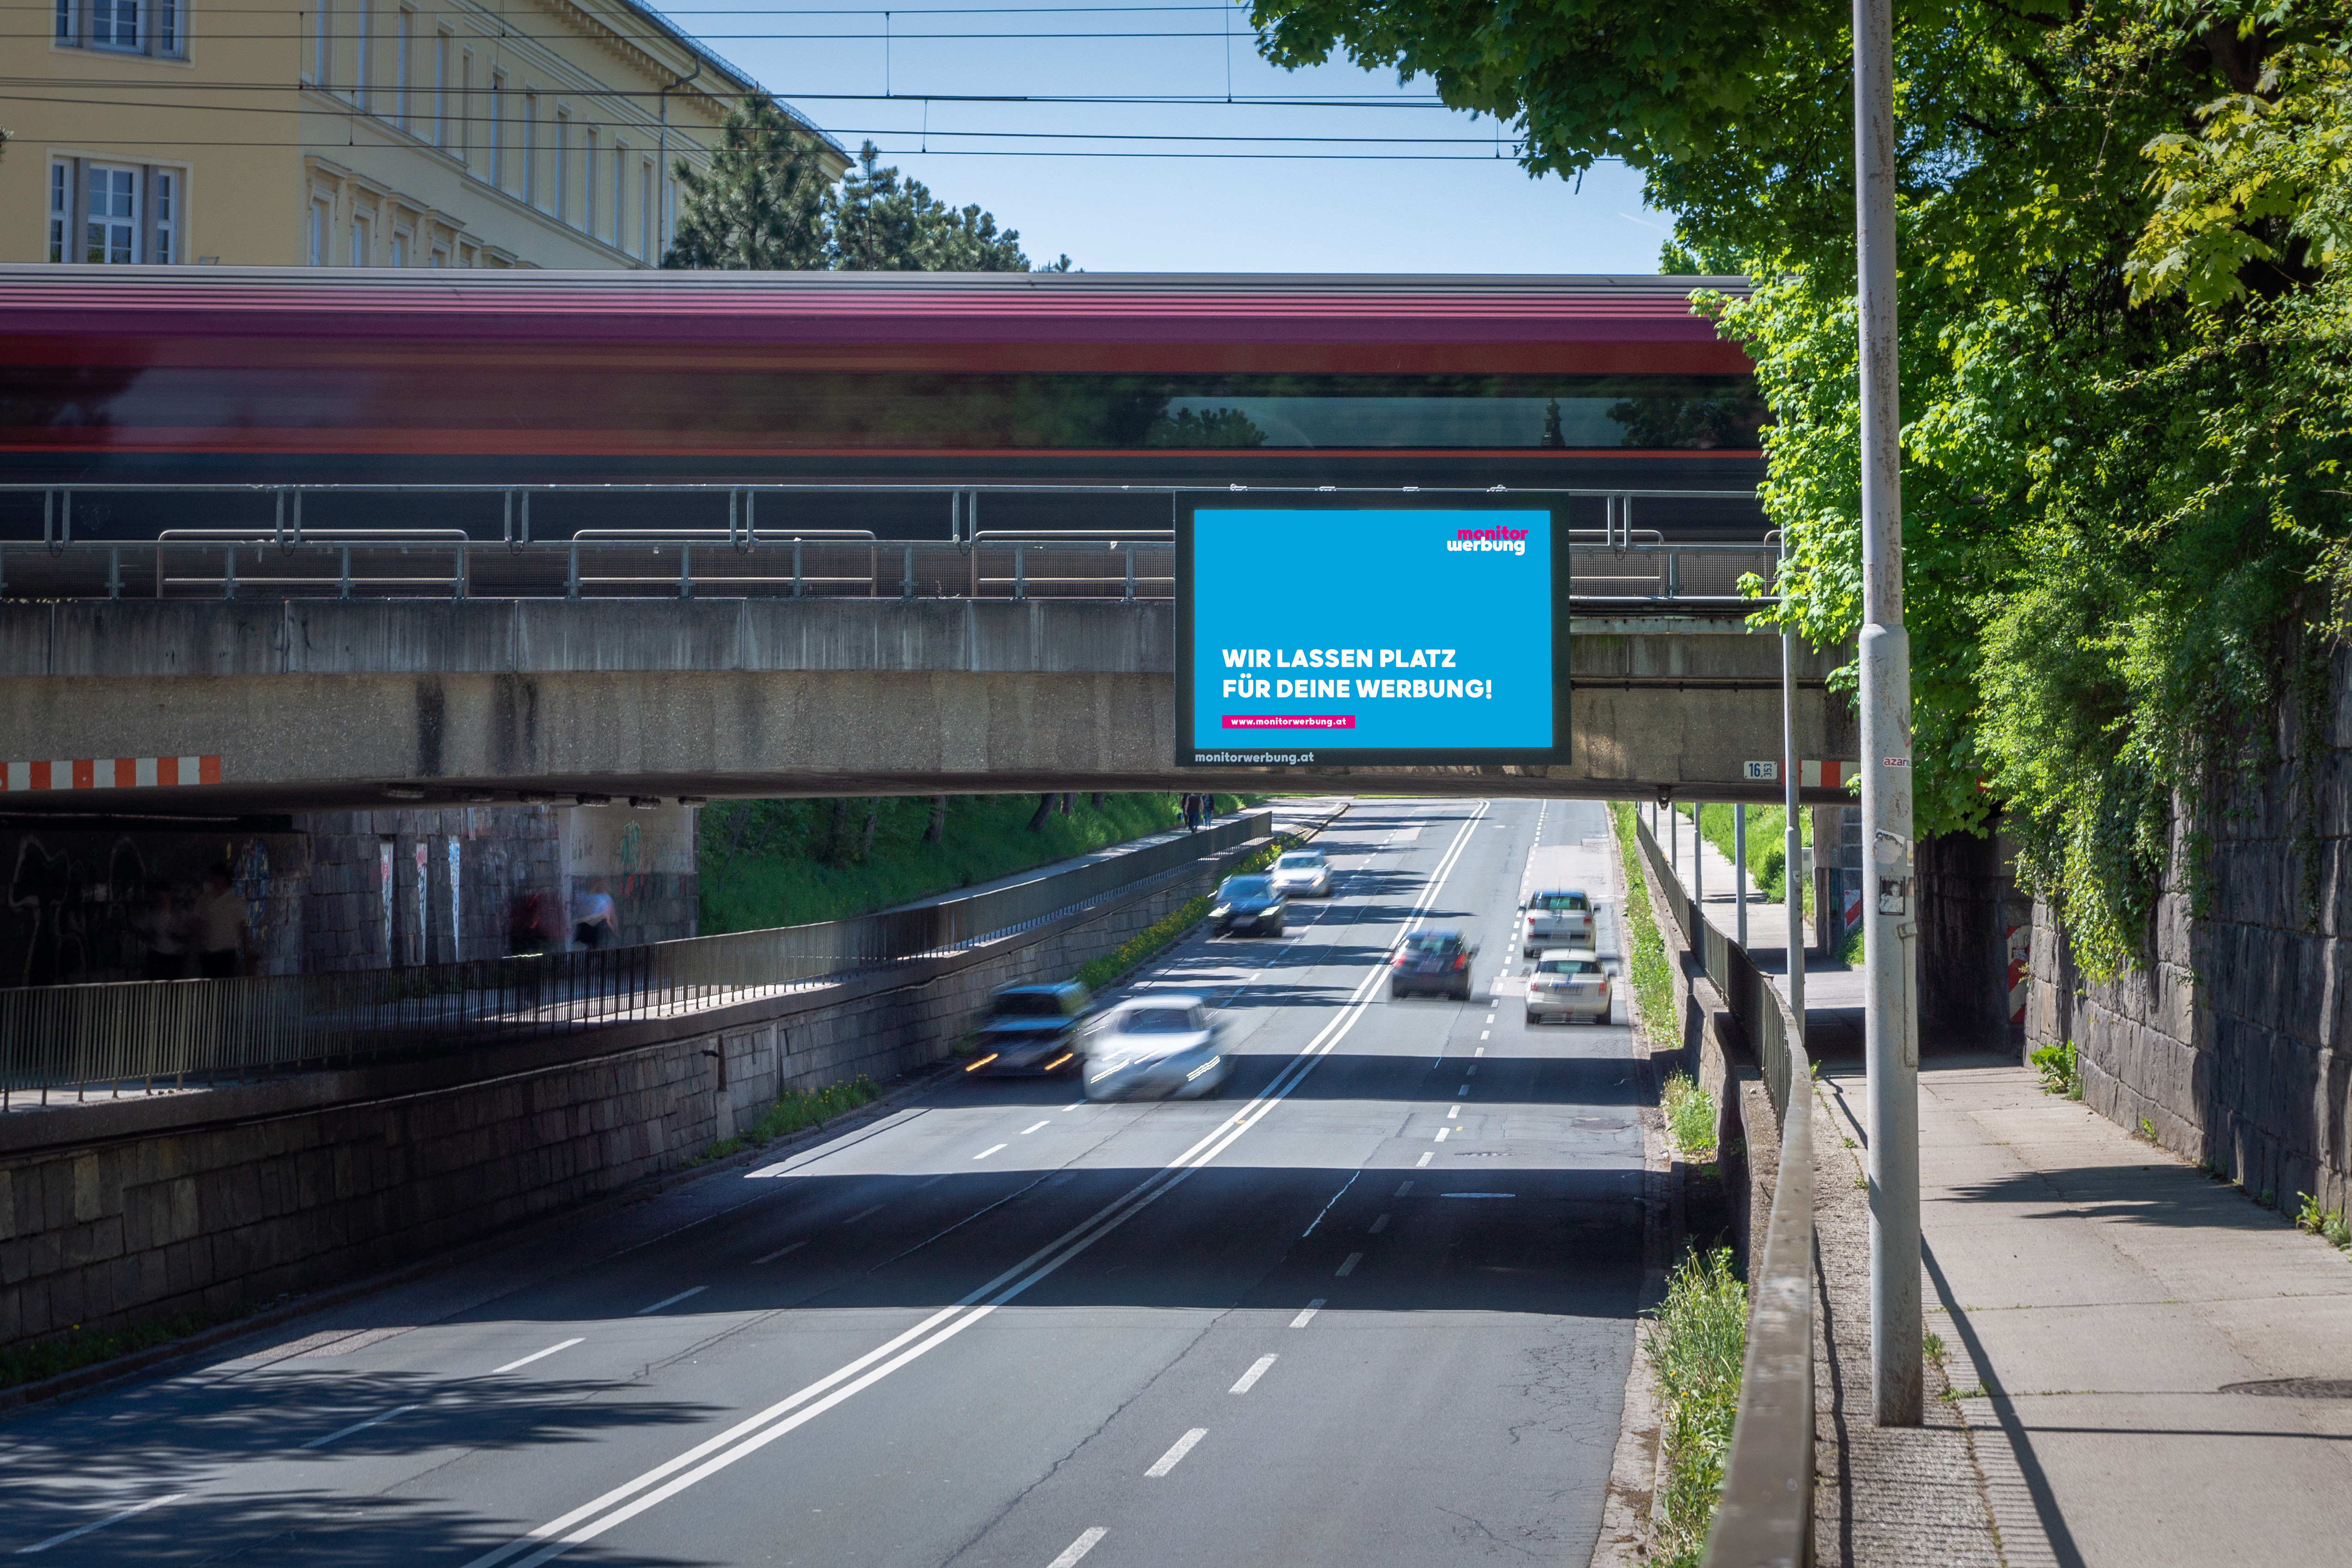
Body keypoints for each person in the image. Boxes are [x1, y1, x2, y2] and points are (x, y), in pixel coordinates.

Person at [193, 863, 244, 979]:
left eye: (218, 877)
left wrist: (246, 949)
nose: (215, 880)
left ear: (224, 878)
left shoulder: (234, 901)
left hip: (227, 951)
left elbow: (242, 926)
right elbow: (197, 923)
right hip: (209, 951)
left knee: (224, 985)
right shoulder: (205, 900)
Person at [134, 878, 188, 981]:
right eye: (159, 897)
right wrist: (150, 936)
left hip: (174, 957)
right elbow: (141, 930)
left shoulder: (180, 914)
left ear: (170, 896)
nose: (162, 900)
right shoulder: (150, 914)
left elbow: (186, 937)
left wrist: (176, 937)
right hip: (156, 956)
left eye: (164, 897)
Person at [573, 878, 618, 949]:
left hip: (598, 927)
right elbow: (582, 912)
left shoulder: (605, 898)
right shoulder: (584, 896)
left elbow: (612, 915)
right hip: (588, 927)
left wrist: (614, 927)